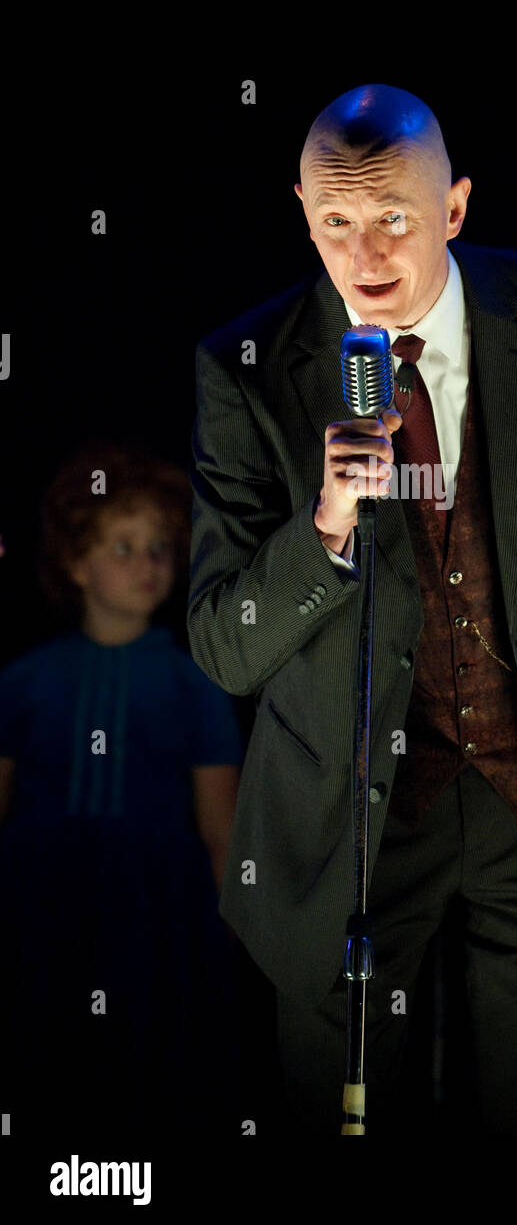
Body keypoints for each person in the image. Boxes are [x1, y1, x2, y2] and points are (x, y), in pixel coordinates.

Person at [187, 83, 517, 1137]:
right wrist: (324, 524)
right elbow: (225, 647)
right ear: (303, 214)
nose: (365, 252)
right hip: (344, 829)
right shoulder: (245, 371)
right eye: (335, 221)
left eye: (394, 216)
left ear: (452, 208)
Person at [0, 442, 244, 1142]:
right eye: (124, 546)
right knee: (42, 1059)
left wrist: (229, 935)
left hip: (155, 910)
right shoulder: (23, 681)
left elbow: (219, 827)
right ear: (75, 561)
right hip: (40, 905)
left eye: (161, 547)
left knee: (149, 1069)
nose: (148, 564)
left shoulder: (195, 684)